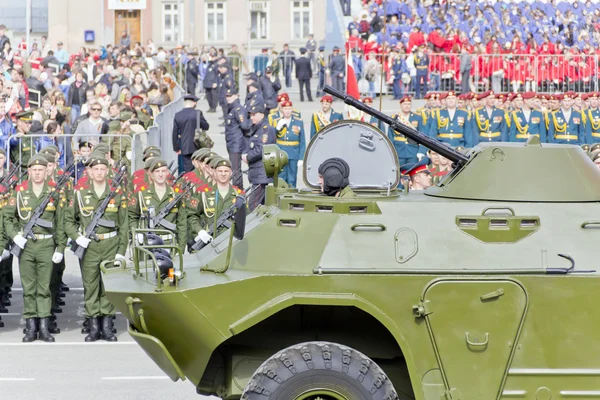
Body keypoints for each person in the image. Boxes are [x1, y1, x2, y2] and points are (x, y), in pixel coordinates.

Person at [64, 155, 128, 342]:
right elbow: (68, 220)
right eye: (96, 169)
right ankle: (93, 326)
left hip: (111, 244)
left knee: (107, 286)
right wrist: (77, 237)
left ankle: (107, 326)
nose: (99, 172)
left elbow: (124, 225)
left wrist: (121, 251)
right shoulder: (80, 193)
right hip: (89, 246)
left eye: (103, 169)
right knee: (90, 286)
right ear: (89, 172)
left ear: (107, 171)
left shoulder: (117, 193)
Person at [4, 154, 66, 342]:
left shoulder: (54, 191)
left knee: (45, 287)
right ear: (29, 172)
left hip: (47, 244)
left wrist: (60, 248)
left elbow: (61, 221)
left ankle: (44, 326)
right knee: (29, 287)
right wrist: (15, 236)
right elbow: (8, 217)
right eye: (34, 170)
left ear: (46, 171)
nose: (38, 173)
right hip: (26, 245)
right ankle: (31, 325)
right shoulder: (20, 191)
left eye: (41, 170)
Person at [129, 158, 187, 252]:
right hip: (147, 244)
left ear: (168, 172)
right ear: (151, 174)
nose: (160, 174)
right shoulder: (141, 194)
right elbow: (132, 216)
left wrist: (181, 249)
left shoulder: (176, 195)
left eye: (163, 171)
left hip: (169, 244)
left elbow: (182, 224)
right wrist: (136, 233)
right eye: (157, 171)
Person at [242, 102, 277, 211]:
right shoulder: (256, 128)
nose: (251, 117)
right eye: (250, 115)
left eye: (254, 115)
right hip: (258, 175)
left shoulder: (265, 129)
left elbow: (262, 148)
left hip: (262, 176)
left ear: (262, 114)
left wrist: (248, 157)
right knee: (261, 206)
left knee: (253, 206)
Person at [173, 94, 209, 173]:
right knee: (199, 169)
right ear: (193, 103)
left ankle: (189, 184)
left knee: (188, 170)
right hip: (198, 146)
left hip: (185, 146)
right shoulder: (197, 113)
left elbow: (175, 133)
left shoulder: (178, 115)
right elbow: (206, 126)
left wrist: (176, 148)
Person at [275, 100, 306, 188]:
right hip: (281, 152)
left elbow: (302, 141)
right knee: (281, 177)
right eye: (285, 109)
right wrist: (277, 128)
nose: (288, 111)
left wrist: (301, 157)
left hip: (294, 153)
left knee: (292, 179)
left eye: (289, 108)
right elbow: (273, 138)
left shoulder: (298, 122)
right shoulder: (277, 121)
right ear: (282, 110)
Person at [224, 88, 251, 189]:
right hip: (232, 144)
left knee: (235, 171)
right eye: (227, 96)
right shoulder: (232, 108)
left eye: (230, 96)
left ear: (236, 95)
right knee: (234, 170)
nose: (228, 98)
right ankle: (238, 191)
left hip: (236, 144)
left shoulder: (238, 109)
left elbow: (245, 126)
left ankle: (238, 192)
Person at [388, 96, 426, 165]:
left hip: (413, 150)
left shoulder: (417, 117)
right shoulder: (395, 118)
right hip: (398, 150)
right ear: (400, 105)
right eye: (404, 104)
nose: (407, 106)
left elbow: (422, 135)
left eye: (408, 104)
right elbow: (390, 136)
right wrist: (391, 151)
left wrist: (421, 151)